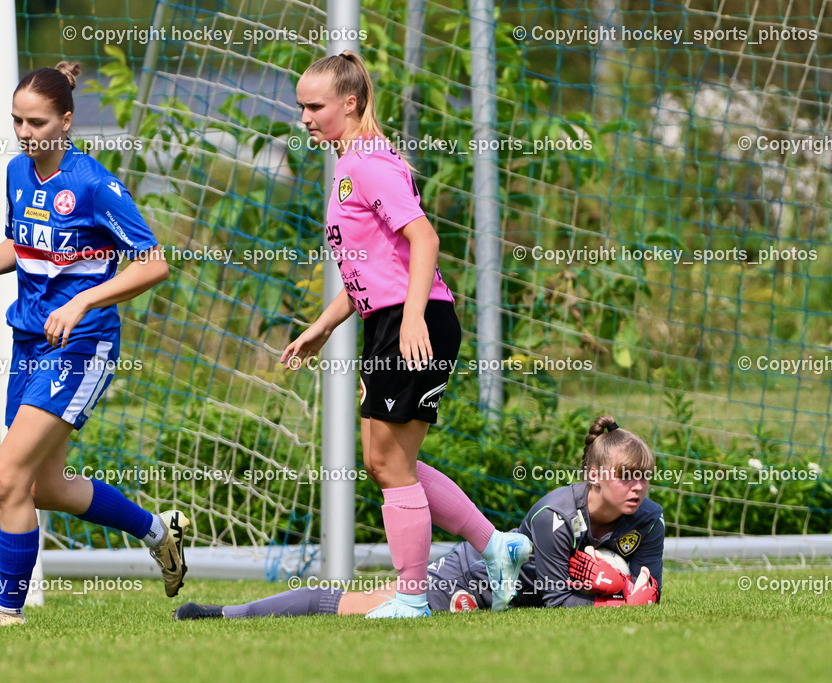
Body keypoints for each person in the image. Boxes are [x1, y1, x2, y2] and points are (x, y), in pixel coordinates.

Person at [278, 51, 531, 619]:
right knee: (385, 461)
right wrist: (320, 329)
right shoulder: (349, 164)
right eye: (301, 107)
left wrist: (413, 316)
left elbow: (425, 240)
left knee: (389, 464)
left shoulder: (369, 162)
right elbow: (372, 270)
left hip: (414, 325)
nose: (305, 119)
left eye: (314, 107)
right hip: (390, 323)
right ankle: (496, 546)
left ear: (350, 103)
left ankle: (413, 598)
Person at [0, 61, 188, 627]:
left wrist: (84, 301)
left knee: (7, 478)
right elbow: (24, 242)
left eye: (36, 122)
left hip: (81, 346)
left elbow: (155, 264)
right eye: (18, 121)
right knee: (45, 487)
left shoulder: (93, 184)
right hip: (27, 342)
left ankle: (7, 612)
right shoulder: (18, 172)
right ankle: (158, 531)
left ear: (66, 121)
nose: (24, 132)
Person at [174, 415, 662, 619]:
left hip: (508, 600)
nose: (638, 486)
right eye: (627, 475)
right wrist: (618, 597)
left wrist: (627, 590)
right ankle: (223, 614)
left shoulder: (648, 521)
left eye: (645, 476)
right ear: (595, 474)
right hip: (472, 576)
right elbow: (562, 608)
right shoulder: (555, 515)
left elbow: (650, 588)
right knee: (359, 606)